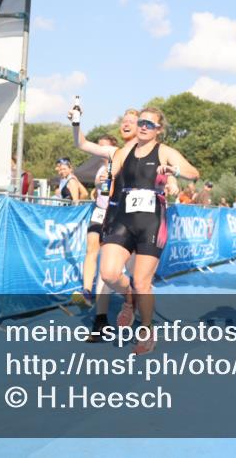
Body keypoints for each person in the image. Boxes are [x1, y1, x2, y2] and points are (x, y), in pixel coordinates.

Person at [99, 107, 200, 355]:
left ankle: (146, 328)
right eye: (141, 122)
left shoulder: (164, 151)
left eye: (149, 124)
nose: (143, 127)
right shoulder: (125, 151)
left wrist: (173, 172)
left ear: (159, 130)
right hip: (124, 217)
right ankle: (129, 298)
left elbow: (193, 173)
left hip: (152, 222)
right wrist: (103, 180)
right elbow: (110, 175)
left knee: (143, 281)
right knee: (109, 274)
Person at [69, 108, 141, 339]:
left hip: (138, 219)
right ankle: (100, 324)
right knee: (106, 271)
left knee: (134, 274)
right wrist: (76, 123)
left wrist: (170, 181)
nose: (126, 123)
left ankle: (135, 308)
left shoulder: (149, 153)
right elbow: (82, 144)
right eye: (124, 121)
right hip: (113, 215)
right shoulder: (114, 152)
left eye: (132, 121)